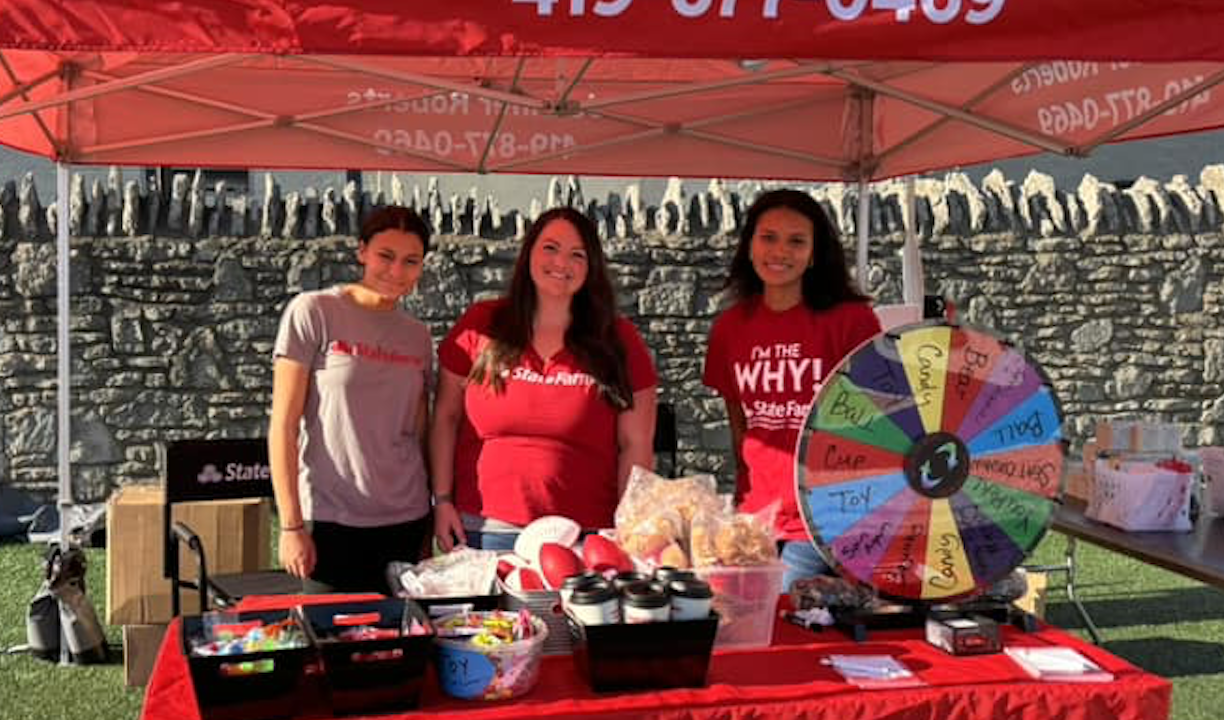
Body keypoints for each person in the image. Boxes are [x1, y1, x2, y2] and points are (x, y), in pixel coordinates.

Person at [430, 206, 656, 551]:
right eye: (550, 247)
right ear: (529, 253)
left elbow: (635, 444)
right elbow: (445, 417)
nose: (561, 263)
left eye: (577, 254)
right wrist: (441, 499)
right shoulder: (481, 324)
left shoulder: (619, 340)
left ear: (591, 266)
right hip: (484, 529)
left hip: (585, 536)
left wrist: (629, 528)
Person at [702, 189, 881, 587]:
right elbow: (740, 426)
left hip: (825, 519)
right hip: (756, 518)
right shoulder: (730, 328)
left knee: (782, 616)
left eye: (796, 241)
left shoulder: (851, 321)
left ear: (815, 253)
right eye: (768, 237)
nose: (780, 251)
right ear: (749, 245)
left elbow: (880, 423)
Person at [268, 205, 434, 593]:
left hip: (406, 519)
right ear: (361, 251)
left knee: (403, 649)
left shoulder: (418, 337)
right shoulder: (314, 312)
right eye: (385, 256)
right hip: (330, 521)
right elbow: (283, 426)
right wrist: (290, 526)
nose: (396, 272)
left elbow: (419, 430)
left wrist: (428, 521)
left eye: (411, 261)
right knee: (332, 648)